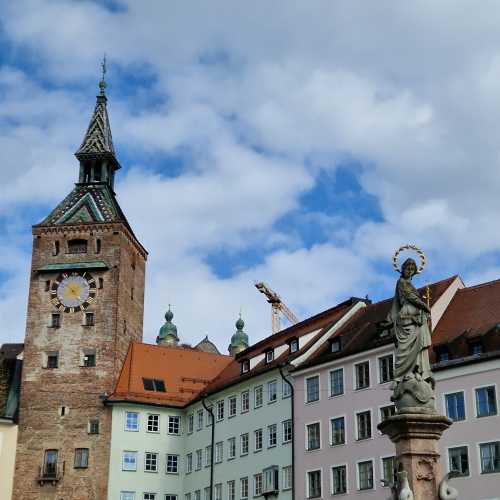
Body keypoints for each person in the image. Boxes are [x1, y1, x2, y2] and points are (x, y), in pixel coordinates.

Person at [388, 257, 433, 385]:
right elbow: (410, 297)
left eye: (412, 269)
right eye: (408, 268)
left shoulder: (409, 283)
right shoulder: (401, 282)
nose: (409, 271)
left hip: (415, 318)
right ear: (402, 269)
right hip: (406, 316)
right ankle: (404, 374)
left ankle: (416, 370)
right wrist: (424, 306)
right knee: (405, 348)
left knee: (416, 346)